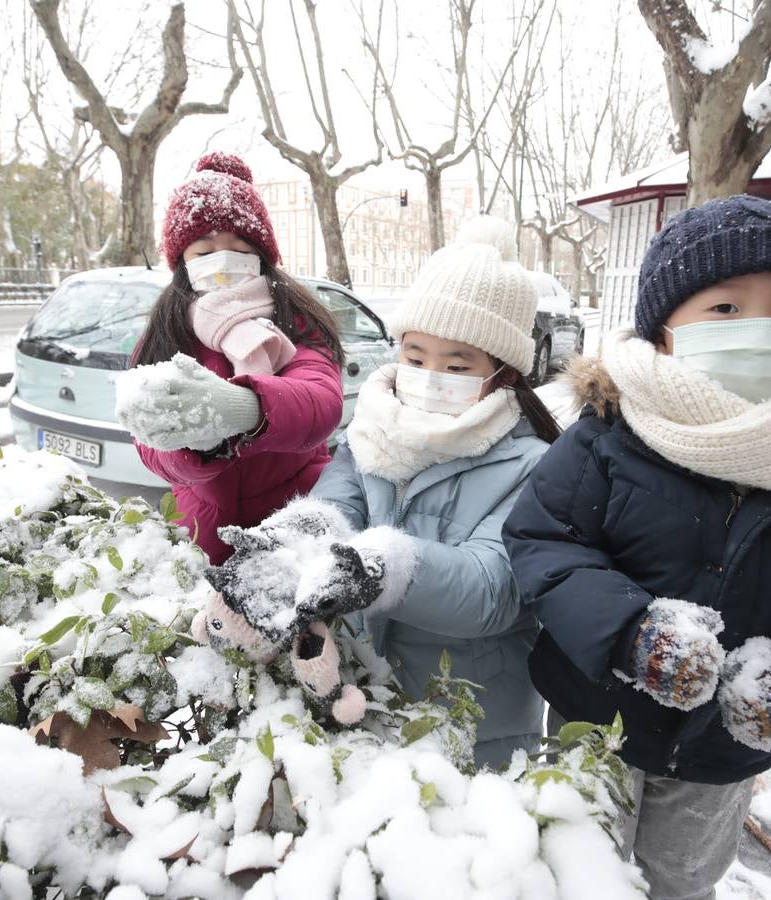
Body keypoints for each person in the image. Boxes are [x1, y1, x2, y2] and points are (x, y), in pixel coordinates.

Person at [503, 195, 771, 899]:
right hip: (594, 712)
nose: (759, 327)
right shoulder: (608, 435)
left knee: (685, 878)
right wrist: (629, 632)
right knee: (574, 865)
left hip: (723, 746)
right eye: (725, 308)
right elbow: (545, 542)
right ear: (665, 329)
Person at [208, 216, 560, 768]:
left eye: (457, 364)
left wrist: (382, 568)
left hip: (472, 724)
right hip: (369, 699)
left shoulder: (536, 465)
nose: (428, 374)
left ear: (504, 373)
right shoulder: (373, 427)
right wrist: (286, 543)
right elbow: (335, 506)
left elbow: (493, 591)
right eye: (416, 357)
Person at [115, 152, 345, 565]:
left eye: (237, 248)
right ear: (182, 263)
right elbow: (146, 441)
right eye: (203, 252)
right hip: (201, 531)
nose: (220, 262)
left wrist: (243, 409)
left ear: (261, 255)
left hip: (295, 527)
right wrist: (195, 446)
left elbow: (320, 403)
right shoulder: (167, 332)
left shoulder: (297, 321)